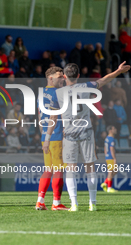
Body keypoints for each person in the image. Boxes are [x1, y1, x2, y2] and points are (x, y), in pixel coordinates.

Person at [48, 61, 130, 212]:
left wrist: (47, 138)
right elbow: (105, 79)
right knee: (90, 168)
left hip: (69, 134)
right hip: (86, 132)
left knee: (70, 169)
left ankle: (74, 205)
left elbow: (53, 118)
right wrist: (118, 71)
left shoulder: (57, 94)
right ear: (78, 76)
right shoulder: (86, 86)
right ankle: (92, 203)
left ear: (65, 76)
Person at [36, 66, 68, 211]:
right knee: (59, 169)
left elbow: (39, 115)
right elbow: (55, 116)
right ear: (50, 77)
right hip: (55, 135)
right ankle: (56, 202)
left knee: (48, 169)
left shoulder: (41, 93)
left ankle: (40, 201)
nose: (62, 78)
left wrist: (43, 135)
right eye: (59, 76)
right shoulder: (58, 93)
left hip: (45, 135)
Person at [101, 126, 118, 193]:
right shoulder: (111, 139)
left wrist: (106, 155)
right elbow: (112, 149)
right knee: (111, 172)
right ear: (110, 130)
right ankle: (109, 188)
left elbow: (105, 149)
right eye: (114, 129)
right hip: (111, 157)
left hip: (107, 157)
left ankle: (105, 183)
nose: (115, 130)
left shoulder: (107, 138)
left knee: (115, 171)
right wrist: (114, 158)